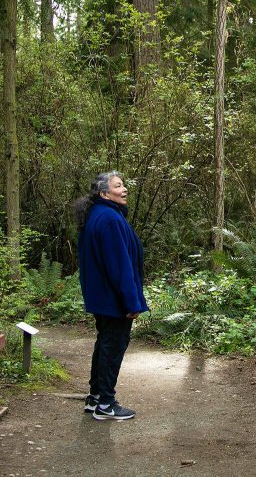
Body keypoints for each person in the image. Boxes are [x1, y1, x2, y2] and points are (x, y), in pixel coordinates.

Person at [75, 171, 148, 421]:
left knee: (105, 343)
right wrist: (131, 301)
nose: (125, 189)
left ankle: (96, 397)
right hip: (112, 298)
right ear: (104, 193)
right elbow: (120, 266)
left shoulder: (97, 214)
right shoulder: (109, 219)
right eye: (118, 186)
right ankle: (106, 403)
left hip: (101, 296)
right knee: (113, 346)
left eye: (124, 184)